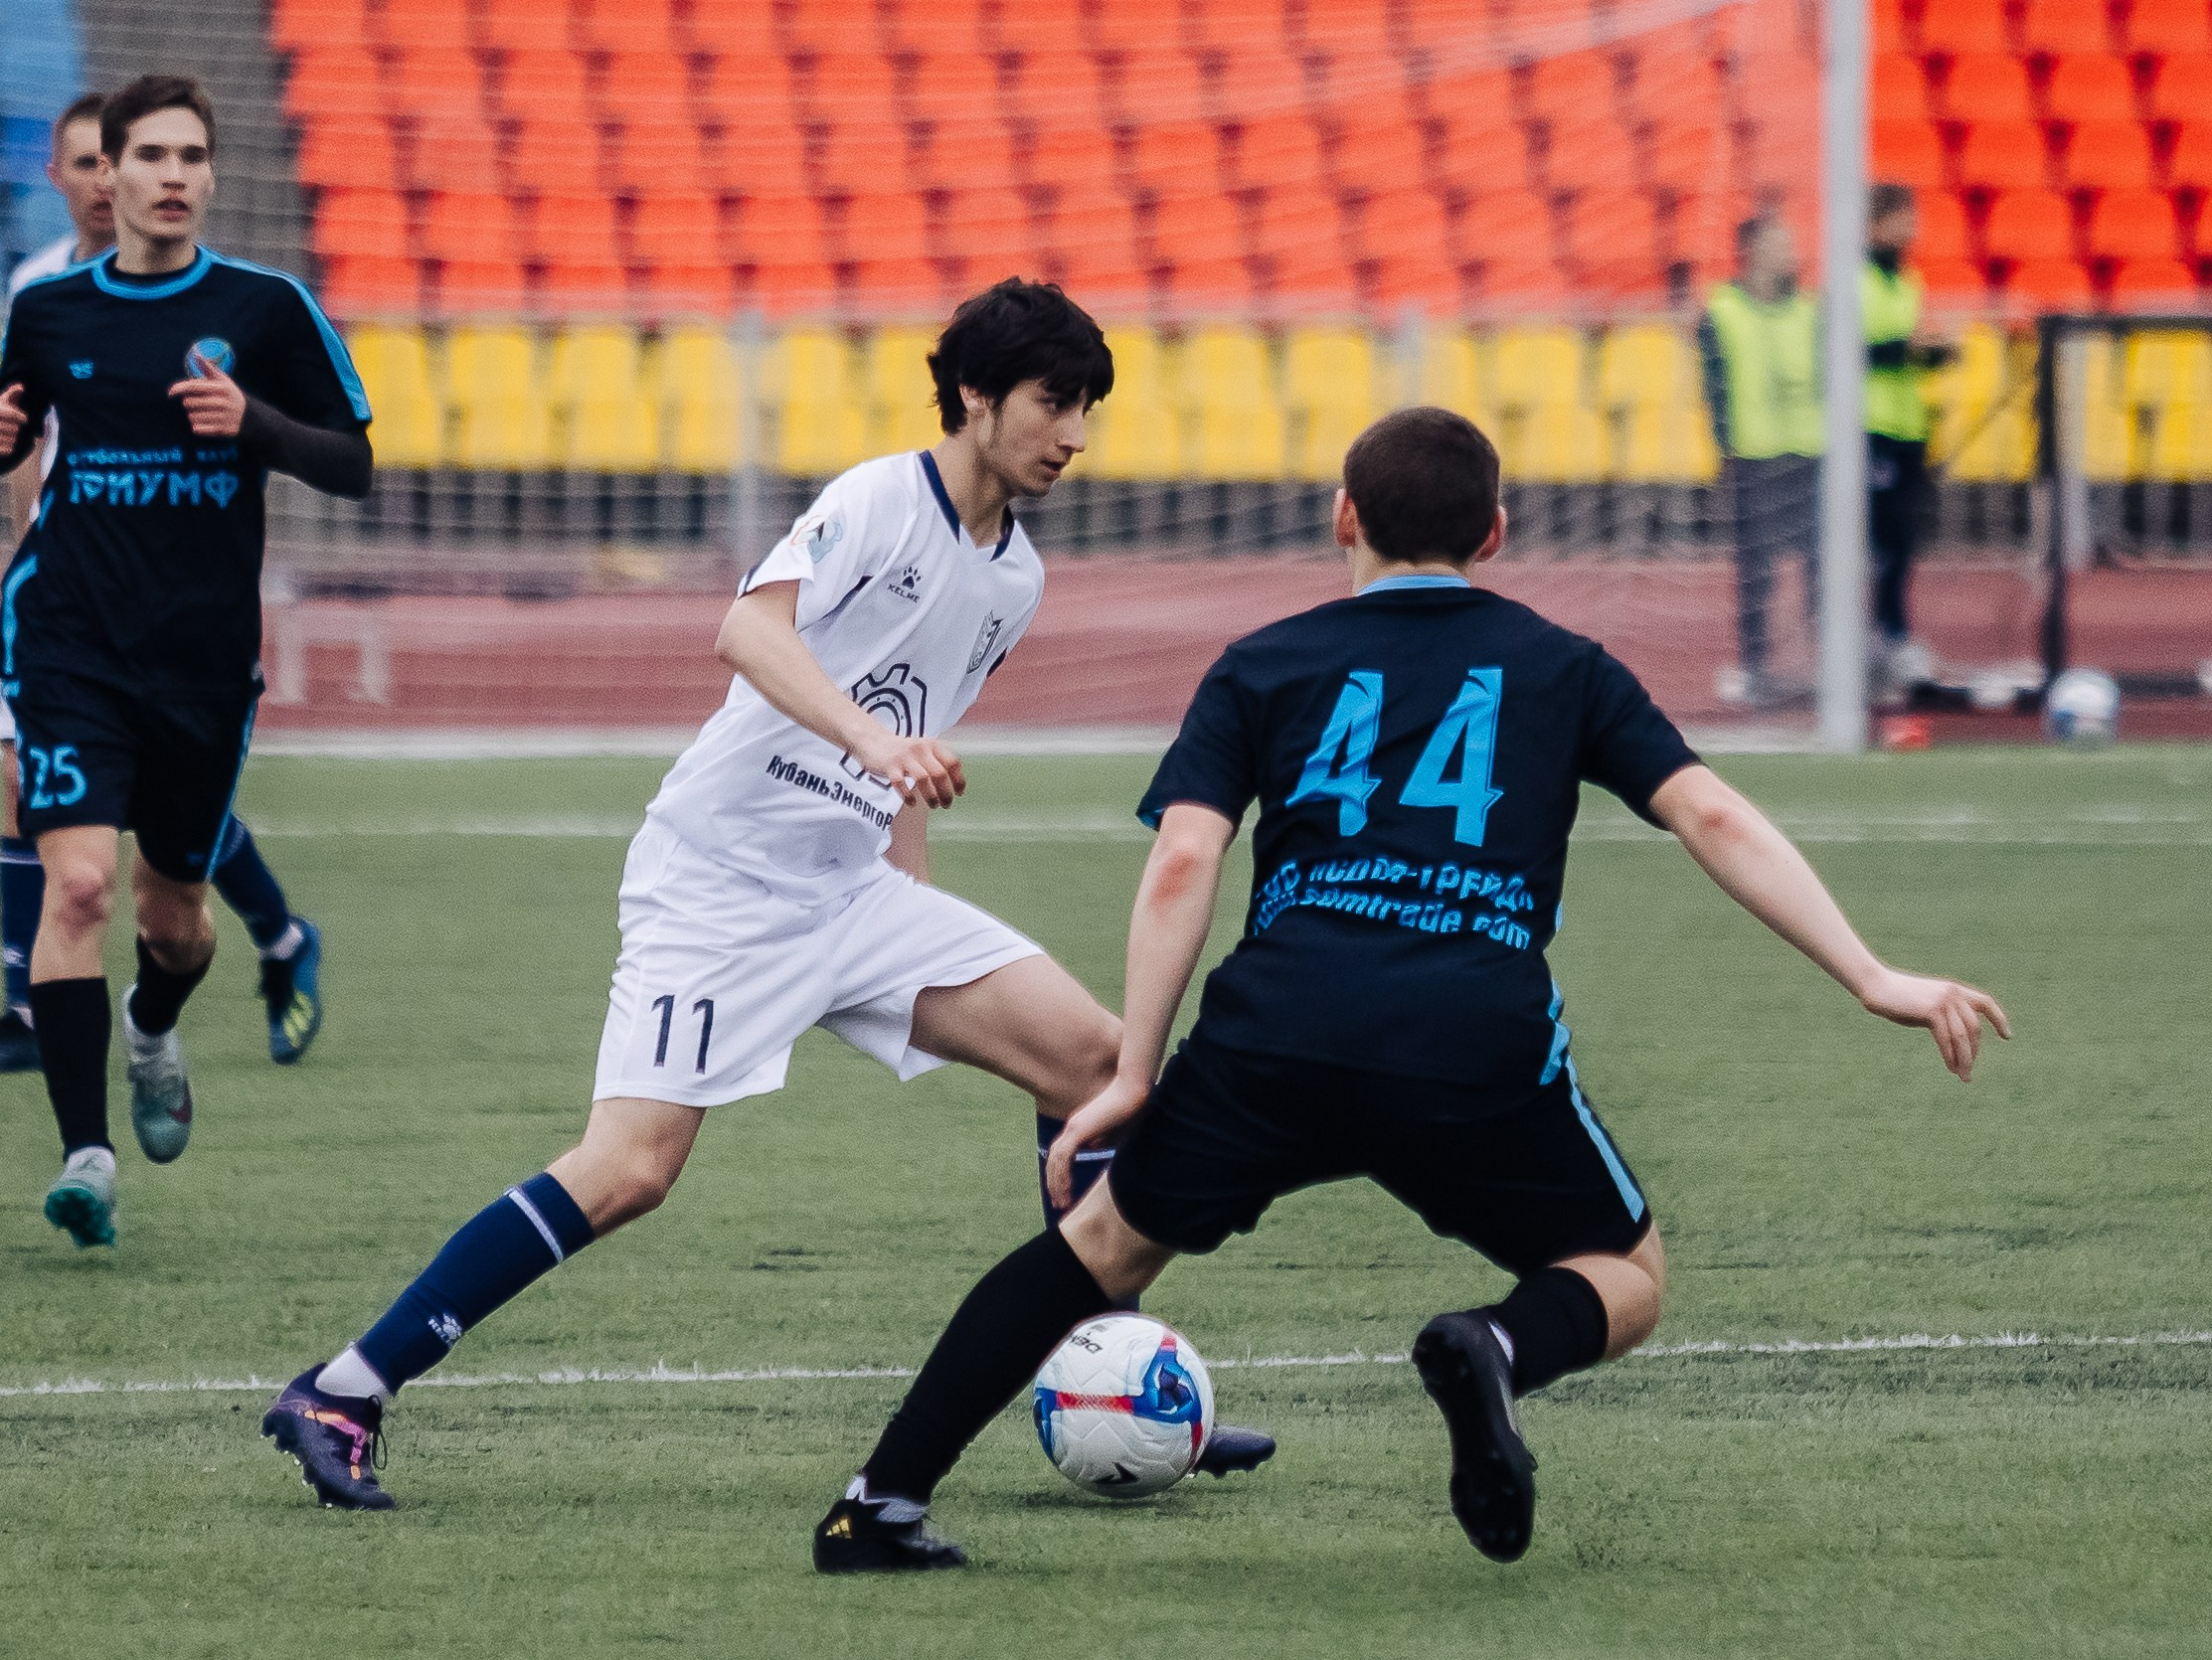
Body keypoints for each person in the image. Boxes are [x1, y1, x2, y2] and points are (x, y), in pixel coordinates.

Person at [810, 407, 2011, 1573]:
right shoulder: (1566, 665)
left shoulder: (1262, 662)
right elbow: (1706, 809)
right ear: (1495, 533)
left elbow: (1185, 858)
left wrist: (1135, 1071)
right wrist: (1870, 972)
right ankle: (1492, 1342)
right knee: (1627, 1274)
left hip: (1278, 1026)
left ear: (1344, 517)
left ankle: (881, 1500)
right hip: (1470, 1035)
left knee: (1103, 1245)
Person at [259, 278, 1275, 1510]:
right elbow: (749, 630)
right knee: (628, 1167)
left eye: (1087, 411)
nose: (1072, 434)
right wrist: (876, 747)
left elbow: (916, 732)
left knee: (1104, 1068)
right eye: (1054, 402)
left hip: (854, 895)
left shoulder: (1016, 578)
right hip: (720, 885)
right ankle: (347, 1387)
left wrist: (913, 904)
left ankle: (1107, 1386)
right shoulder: (878, 499)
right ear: (974, 395)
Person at [0, 75, 375, 1247]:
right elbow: (8, 418)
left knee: (176, 918)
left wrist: (255, 424)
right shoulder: (51, 310)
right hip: (68, 638)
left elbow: (351, 462)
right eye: (149, 155)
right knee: (80, 884)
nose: (174, 175)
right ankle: (83, 1153)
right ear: (107, 173)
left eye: (193, 154)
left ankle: (153, 1027)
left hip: (200, 659)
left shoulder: (265, 306)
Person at [1699, 211, 1821, 711]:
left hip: (1812, 450)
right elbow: (1715, 384)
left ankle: (1826, 666)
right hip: (1754, 455)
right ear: (1753, 250)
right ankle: (1755, 666)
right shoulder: (1722, 309)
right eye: (1781, 242)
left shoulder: (1813, 310)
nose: (1792, 252)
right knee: (1756, 570)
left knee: (1822, 566)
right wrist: (1725, 445)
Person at [1863, 182, 1954, 700]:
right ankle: (1882, 639)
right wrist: (1908, 347)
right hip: (1870, 427)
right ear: (1876, 224)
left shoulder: (1907, 280)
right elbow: (1848, 350)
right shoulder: (1854, 280)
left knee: (1902, 542)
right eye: (1902, 219)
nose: (1911, 229)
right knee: (1883, 542)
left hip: (1906, 425)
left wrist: (1935, 353)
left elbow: (1903, 344)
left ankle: (1891, 636)